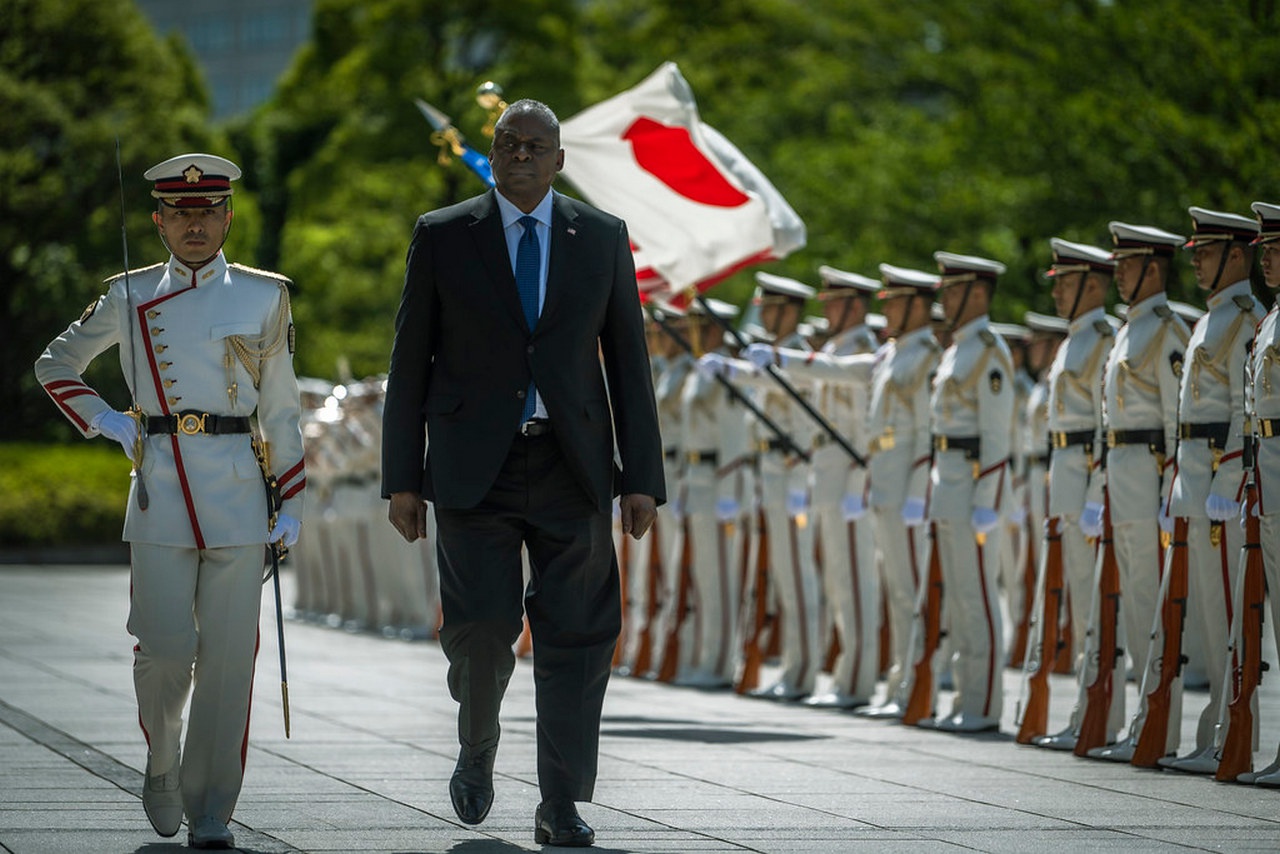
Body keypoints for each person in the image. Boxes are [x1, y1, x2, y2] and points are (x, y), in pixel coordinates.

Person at [381, 99, 665, 847]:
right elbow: (409, 362)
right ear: (494, 150)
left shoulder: (600, 237)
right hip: (477, 466)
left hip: (573, 465)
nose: (522, 157)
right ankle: (477, 748)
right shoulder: (444, 235)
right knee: (480, 628)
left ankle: (561, 801)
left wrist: (641, 476)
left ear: (560, 159)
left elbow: (629, 362)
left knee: (578, 635)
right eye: (510, 144)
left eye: (538, 147)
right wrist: (402, 478)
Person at [34, 153, 305, 850]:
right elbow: (54, 364)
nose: (194, 224)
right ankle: (162, 757)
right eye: (180, 213)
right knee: (161, 650)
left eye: (207, 211)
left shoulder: (263, 296)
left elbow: (282, 411)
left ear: (228, 217)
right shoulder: (127, 295)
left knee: (227, 662)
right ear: (158, 219)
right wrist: (107, 419)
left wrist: (295, 498)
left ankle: (212, 805)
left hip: (240, 491)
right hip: (158, 487)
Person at [1160, 206, 1263, 774]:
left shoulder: (1244, 318)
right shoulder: (1210, 318)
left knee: (1226, 613)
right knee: (1206, 615)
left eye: (1206, 252)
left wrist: (1228, 478)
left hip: (1219, 483)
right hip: (1193, 477)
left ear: (1236, 256)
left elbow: (1240, 411)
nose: (1196, 261)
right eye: (1196, 252)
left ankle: (1231, 735)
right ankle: (1214, 734)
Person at [1086, 221, 1190, 762]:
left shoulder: (1166, 329)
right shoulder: (1129, 329)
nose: (1119, 273)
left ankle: (1160, 728)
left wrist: (1173, 488)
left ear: (1153, 268)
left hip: (1150, 479)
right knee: (1132, 607)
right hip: (1122, 478)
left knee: (1152, 608)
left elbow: (1178, 418)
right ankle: (1140, 723)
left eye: (1127, 265)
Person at [1033, 238, 1119, 751]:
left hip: (1086, 477)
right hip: (1064, 476)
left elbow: (1107, 424)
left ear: (1092, 284)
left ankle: (1100, 716)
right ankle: (1085, 713)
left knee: (1094, 607)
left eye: (1065, 282)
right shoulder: (1074, 338)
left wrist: (1095, 491)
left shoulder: (1104, 337)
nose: (1057, 291)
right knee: (1078, 607)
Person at [926, 251, 1015, 733]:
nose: (943, 296)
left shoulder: (988, 350)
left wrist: (988, 502)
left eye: (952, 289)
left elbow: (997, 436)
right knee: (960, 601)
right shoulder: (959, 348)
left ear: (977, 293)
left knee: (978, 599)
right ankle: (965, 699)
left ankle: (982, 707)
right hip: (950, 483)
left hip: (974, 489)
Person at [1240, 200, 1280, 786]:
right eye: (1265, 252)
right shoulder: (1272, 318)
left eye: (1276, 250)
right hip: (1269, 469)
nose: (1268, 260)